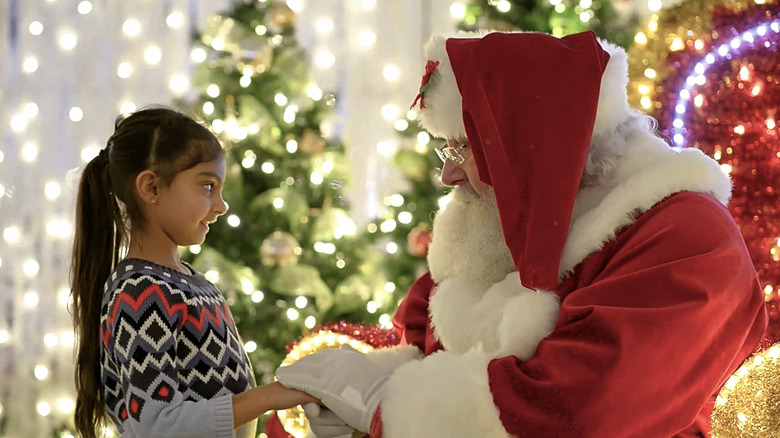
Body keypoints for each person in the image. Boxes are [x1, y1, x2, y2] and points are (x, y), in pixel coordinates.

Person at [275, 30, 768, 437]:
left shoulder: (685, 238)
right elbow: (419, 334)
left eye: (462, 148)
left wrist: (386, 404)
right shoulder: (502, 230)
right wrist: (363, 389)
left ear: (530, 148)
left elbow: (582, 411)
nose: (448, 176)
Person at [70, 107, 316, 438]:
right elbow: (156, 425)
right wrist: (269, 396)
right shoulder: (141, 293)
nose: (221, 205)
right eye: (207, 186)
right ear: (151, 188)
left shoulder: (192, 284)